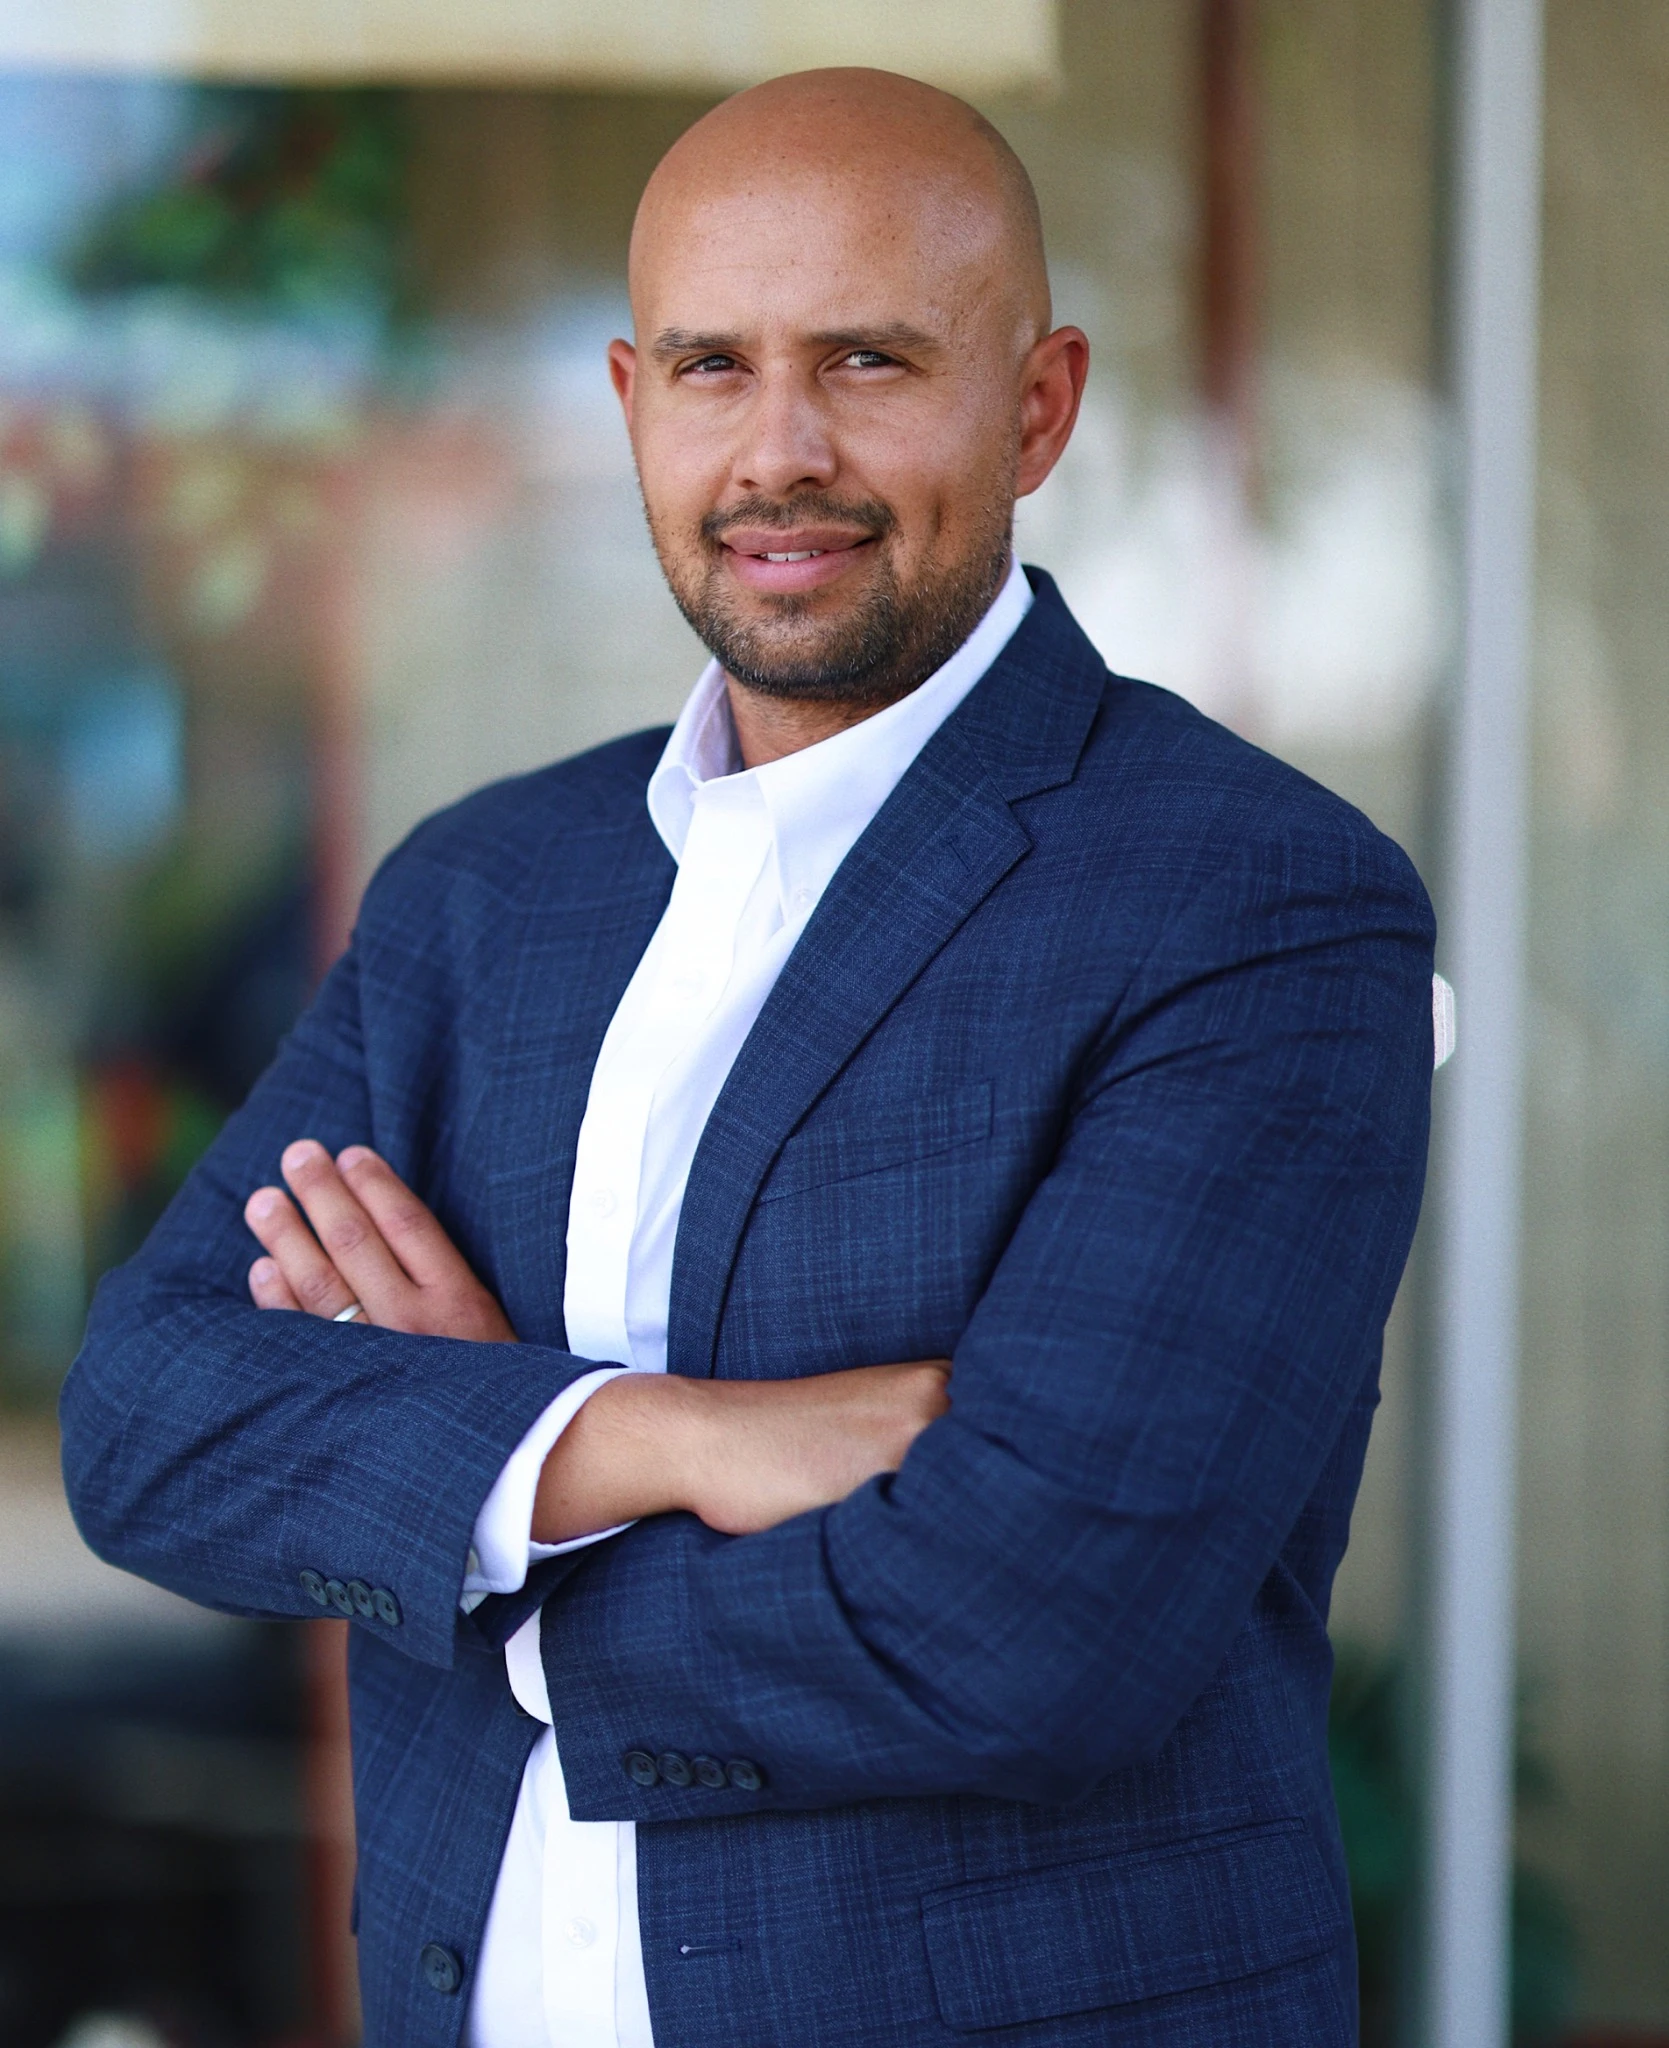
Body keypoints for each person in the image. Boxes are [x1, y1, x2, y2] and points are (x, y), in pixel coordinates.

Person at [61, 67, 1435, 2048]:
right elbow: (149, 1421)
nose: (780, 450)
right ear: (629, 402)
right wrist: (647, 1440)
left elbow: (1033, 1622)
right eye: (713, 368)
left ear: (1038, 404)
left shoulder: (1253, 902)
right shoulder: (483, 894)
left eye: (869, 359)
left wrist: (474, 1515)